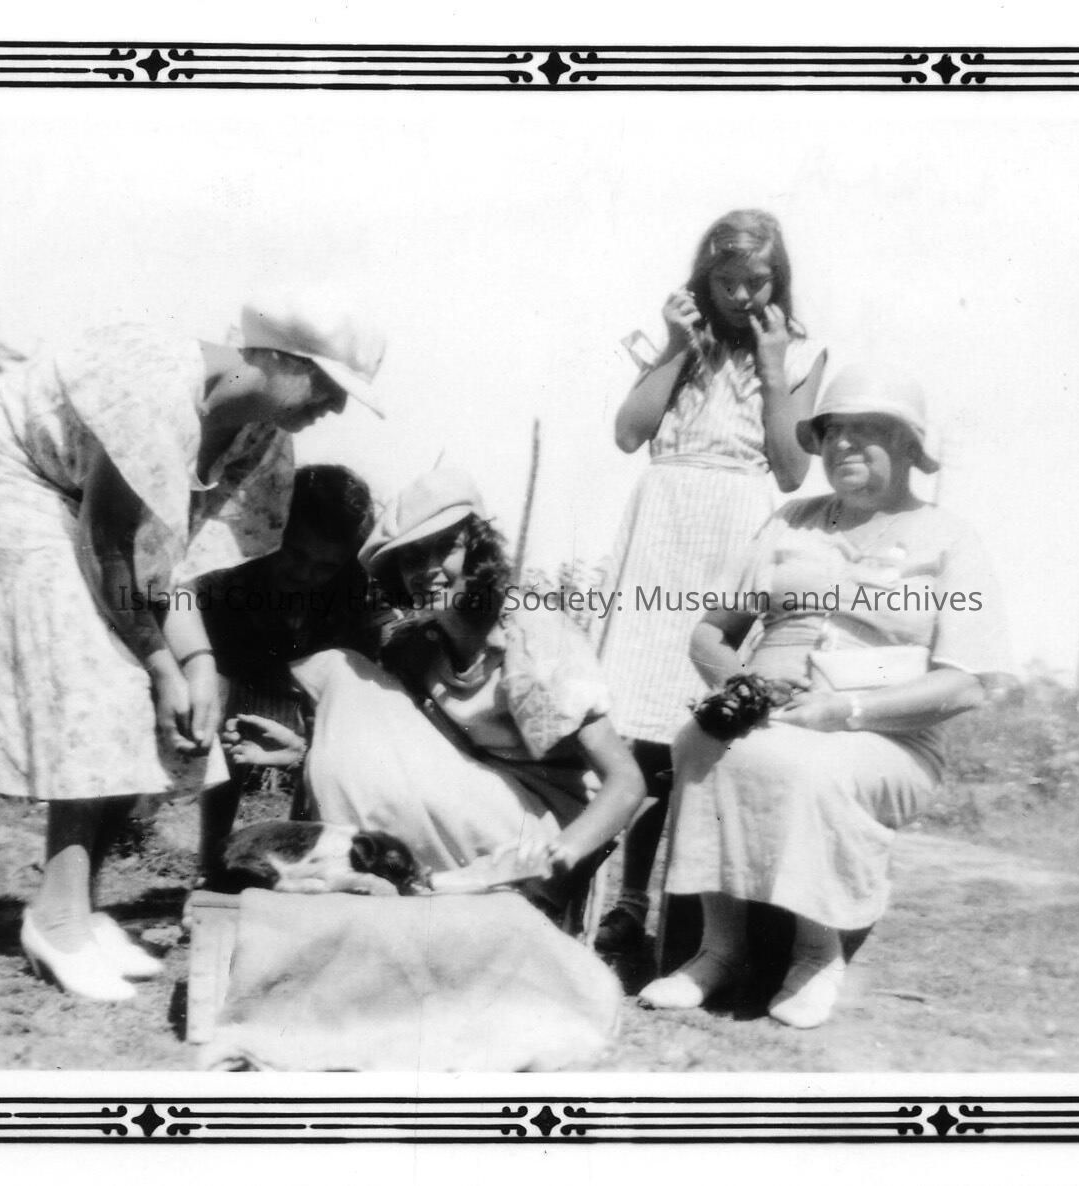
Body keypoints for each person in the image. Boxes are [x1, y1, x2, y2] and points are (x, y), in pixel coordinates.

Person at [0, 293, 385, 1001]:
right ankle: (56, 918)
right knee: (105, 674)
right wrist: (163, 661)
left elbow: (171, 563)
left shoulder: (260, 440)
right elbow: (111, 546)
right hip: (13, 476)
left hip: (84, 510)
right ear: (275, 358)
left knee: (156, 690)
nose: (336, 406)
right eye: (326, 383)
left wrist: (197, 663)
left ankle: (80, 904)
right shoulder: (160, 387)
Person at [638, 367, 1012, 1028]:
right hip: (773, 715)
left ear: (908, 445)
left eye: (866, 431)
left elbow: (967, 682)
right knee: (699, 741)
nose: (842, 444)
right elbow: (709, 634)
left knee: (810, 765)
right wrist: (743, 684)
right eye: (833, 430)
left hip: (888, 734)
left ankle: (817, 956)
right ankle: (719, 951)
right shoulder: (792, 523)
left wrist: (845, 711)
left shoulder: (949, 539)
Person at [236, 468, 646, 924]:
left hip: (538, 836)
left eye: (446, 547)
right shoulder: (418, 647)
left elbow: (627, 782)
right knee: (343, 672)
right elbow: (403, 761)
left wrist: (557, 857)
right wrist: (305, 754)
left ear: (478, 550)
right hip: (468, 813)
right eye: (412, 558)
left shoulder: (530, 635)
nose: (428, 570)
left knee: (339, 670)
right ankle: (377, 895)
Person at [594, 209, 830, 954]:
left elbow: (791, 469)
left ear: (778, 280)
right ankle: (624, 899)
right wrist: (674, 346)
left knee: (702, 719)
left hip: (736, 522)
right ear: (704, 277)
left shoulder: (799, 352)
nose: (740, 295)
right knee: (636, 720)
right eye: (725, 281)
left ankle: (693, 918)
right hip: (662, 524)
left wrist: (772, 367)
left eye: (756, 281)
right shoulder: (681, 340)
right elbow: (628, 434)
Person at [158, 464, 379, 884]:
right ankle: (214, 860)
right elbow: (185, 605)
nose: (305, 574)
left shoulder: (355, 587)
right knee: (227, 726)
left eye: (324, 566)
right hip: (234, 656)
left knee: (328, 733)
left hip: (306, 666)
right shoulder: (237, 559)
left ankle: (309, 851)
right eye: (295, 555)